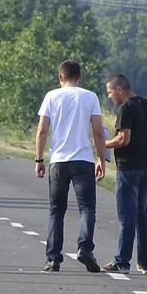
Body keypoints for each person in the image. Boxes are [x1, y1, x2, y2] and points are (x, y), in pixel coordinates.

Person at [35, 60, 107, 273]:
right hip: (83, 160)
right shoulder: (90, 96)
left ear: (60, 77)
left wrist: (39, 159)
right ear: (80, 77)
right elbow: (98, 132)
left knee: (56, 210)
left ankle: (53, 258)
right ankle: (85, 247)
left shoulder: (51, 96)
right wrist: (101, 159)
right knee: (87, 207)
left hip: (58, 161)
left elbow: (42, 130)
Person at [100, 74, 147, 274]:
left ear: (120, 89)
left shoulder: (125, 108)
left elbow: (123, 139)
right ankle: (144, 262)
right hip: (146, 166)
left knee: (126, 216)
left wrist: (102, 145)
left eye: (110, 92)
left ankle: (122, 261)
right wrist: (145, 144)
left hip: (128, 167)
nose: (110, 97)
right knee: (141, 214)